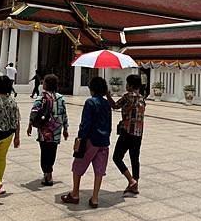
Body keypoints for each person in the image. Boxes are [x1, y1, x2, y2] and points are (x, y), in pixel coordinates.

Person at [62, 77, 111, 208]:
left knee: (78, 165)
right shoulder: (107, 103)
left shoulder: (90, 102)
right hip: (104, 141)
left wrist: (80, 138)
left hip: (91, 140)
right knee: (99, 170)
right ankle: (95, 198)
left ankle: (75, 194)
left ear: (92, 89)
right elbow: (109, 124)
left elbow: (85, 123)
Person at [107, 74, 146, 196]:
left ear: (130, 85)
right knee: (135, 158)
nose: (126, 85)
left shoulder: (127, 97)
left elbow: (114, 106)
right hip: (138, 133)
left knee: (117, 157)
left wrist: (108, 95)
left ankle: (131, 180)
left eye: (127, 83)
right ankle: (135, 185)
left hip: (127, 132)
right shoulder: (142, 98)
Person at [27, 74, 69, 185]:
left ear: (46, 84)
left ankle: (47, 174)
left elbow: (34, 112)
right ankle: (49, 173)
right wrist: (65, 128)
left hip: (44, 129)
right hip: (56, 129)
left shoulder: (41, 97)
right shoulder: (60, 98)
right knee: (52, 151)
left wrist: (30, 125)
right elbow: (64, 114)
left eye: (44, 82)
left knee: (44, 151)